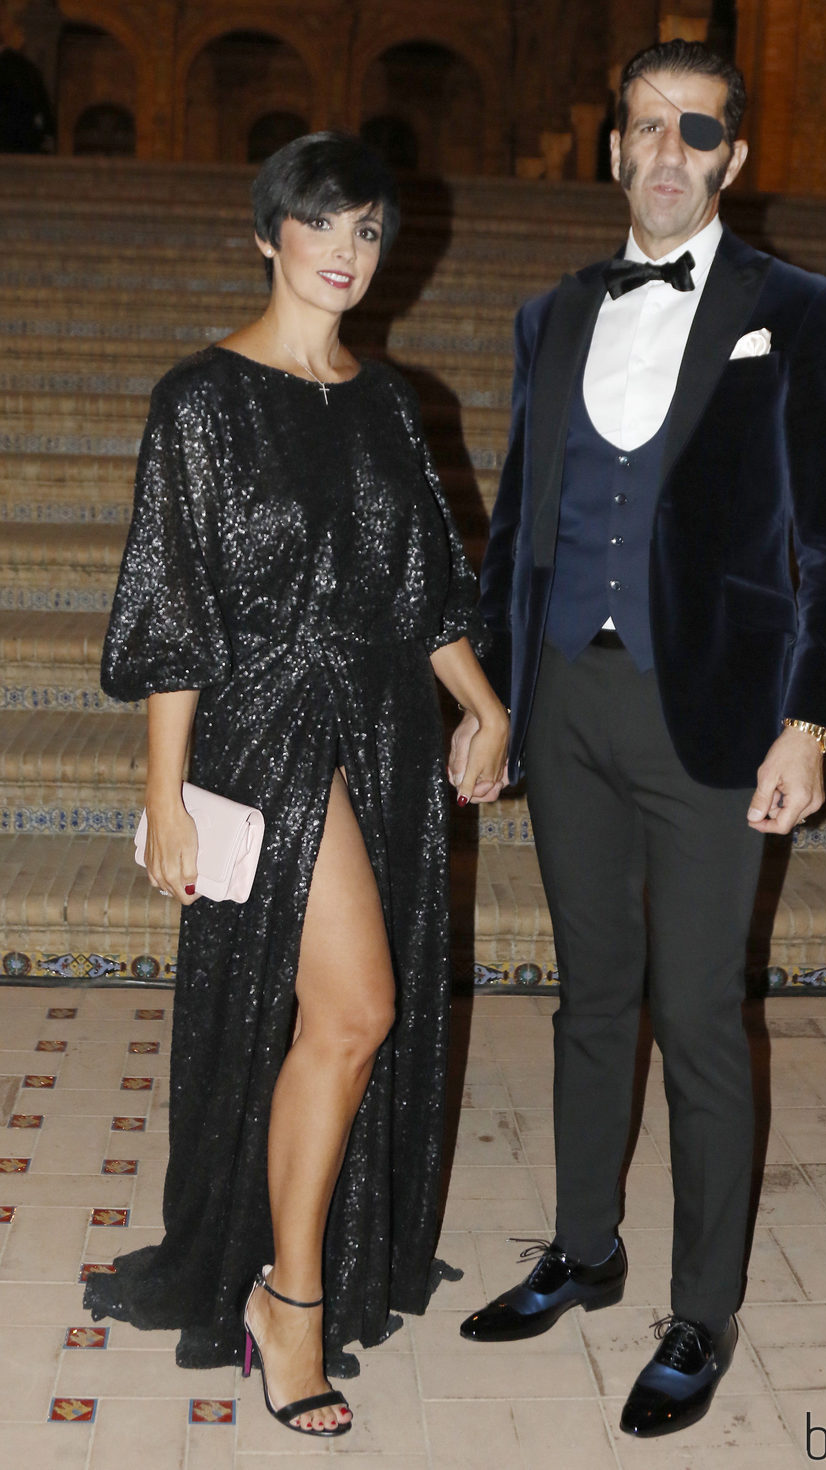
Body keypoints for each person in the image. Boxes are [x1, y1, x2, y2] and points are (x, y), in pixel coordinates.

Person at [464, 40, 826, 1439]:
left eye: (694, 131)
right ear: (614, 144)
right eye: (643, 126)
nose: (664, 152)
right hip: (567, 702)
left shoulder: (800, 309)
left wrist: (812, 720)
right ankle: (587, 1247)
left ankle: (700, 1306)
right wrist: (495, 701)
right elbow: (520, 527)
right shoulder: (557, 311)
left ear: (732, 159)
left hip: (712, 707)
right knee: (590, 993)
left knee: (697, 1013)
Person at [84, 131, 508, 1439]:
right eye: (322, 225)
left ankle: (287, 1272)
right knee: (362, 1005)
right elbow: (175, 611)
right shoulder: (199, 400)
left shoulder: (388, 399)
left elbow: (423, 588)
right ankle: (293, 1300)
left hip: (379, 727)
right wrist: (164, 792)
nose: (347, 252)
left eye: (370, 231)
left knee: (338, 1019)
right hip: (262, 732)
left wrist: (483, 704)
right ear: (267, 234)